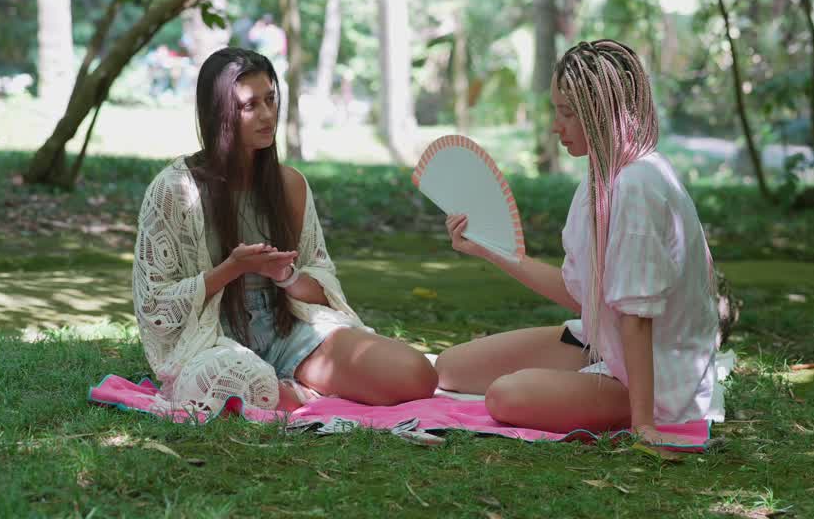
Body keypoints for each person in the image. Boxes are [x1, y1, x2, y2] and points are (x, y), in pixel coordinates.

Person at [434, 40, 719, 441]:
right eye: (557, 110)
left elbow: (637, 318)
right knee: (450, 368)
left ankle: (635, 408)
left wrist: (643, 426)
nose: (556, 125)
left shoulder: (638, 183)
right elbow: (578, 294)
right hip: (603, 343)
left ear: (602, 112)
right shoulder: (599, 179)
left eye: (567, 112)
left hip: (656, 377)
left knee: (506, 397)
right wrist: (487, 247)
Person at [132, 47, 437, 412]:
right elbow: (153, 302)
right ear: (219, 114)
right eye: (250, 106)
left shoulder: (290, 185)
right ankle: (285, 392)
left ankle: (287, 392)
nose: (267, 115)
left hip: (285, 324)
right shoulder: (175, 190)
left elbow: (321, 285)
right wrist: (232, 269)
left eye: (271, 100)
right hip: (213, 336)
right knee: (229, 377)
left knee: (416, 375)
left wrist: (286, 275)